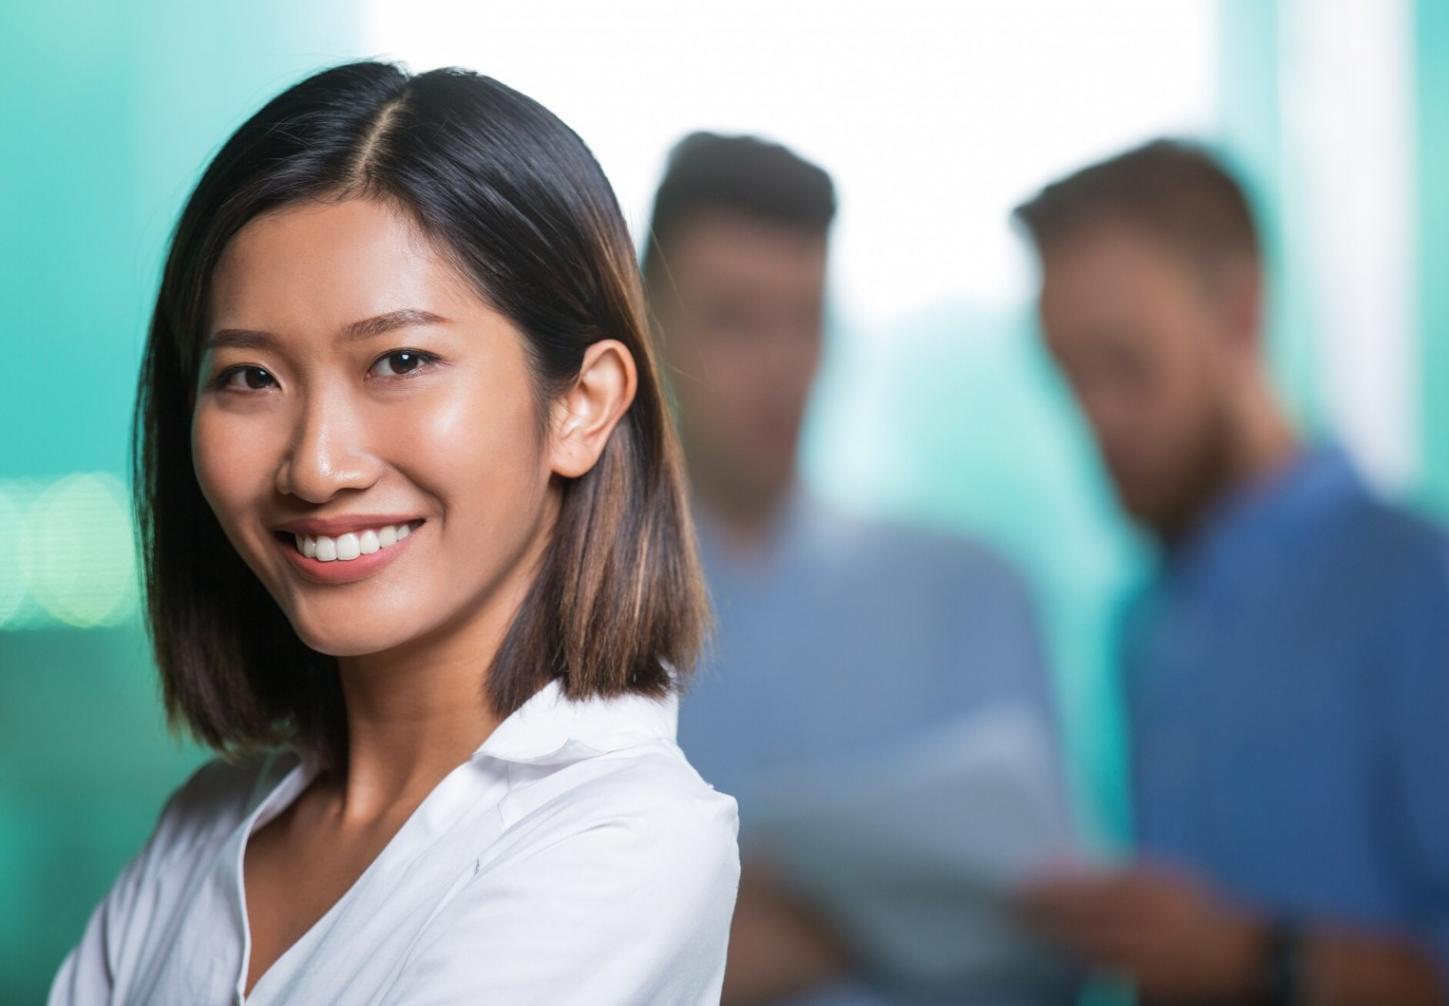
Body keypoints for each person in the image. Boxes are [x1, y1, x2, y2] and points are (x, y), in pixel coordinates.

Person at [48, 61, 739, 1005]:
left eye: (400, 360)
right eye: (250, 377)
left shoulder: (621, 839)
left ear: (581, 403)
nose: (316, 465)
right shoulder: (206, 827)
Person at [1013, 139, 1449, 1005]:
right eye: (1069, 377)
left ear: (1239, 314)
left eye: (1125, 364)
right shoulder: (1144, 629)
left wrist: (1264, 959)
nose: (1096, 421)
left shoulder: (1434, 588)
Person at [646, 133, 1069, 1005]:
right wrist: (895, 917)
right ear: (644, 331)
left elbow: (1053, 942)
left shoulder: (972, 592)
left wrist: (747, 937)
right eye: (735, 319)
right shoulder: (555, 623)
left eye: (805, 319)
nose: (780, 368)